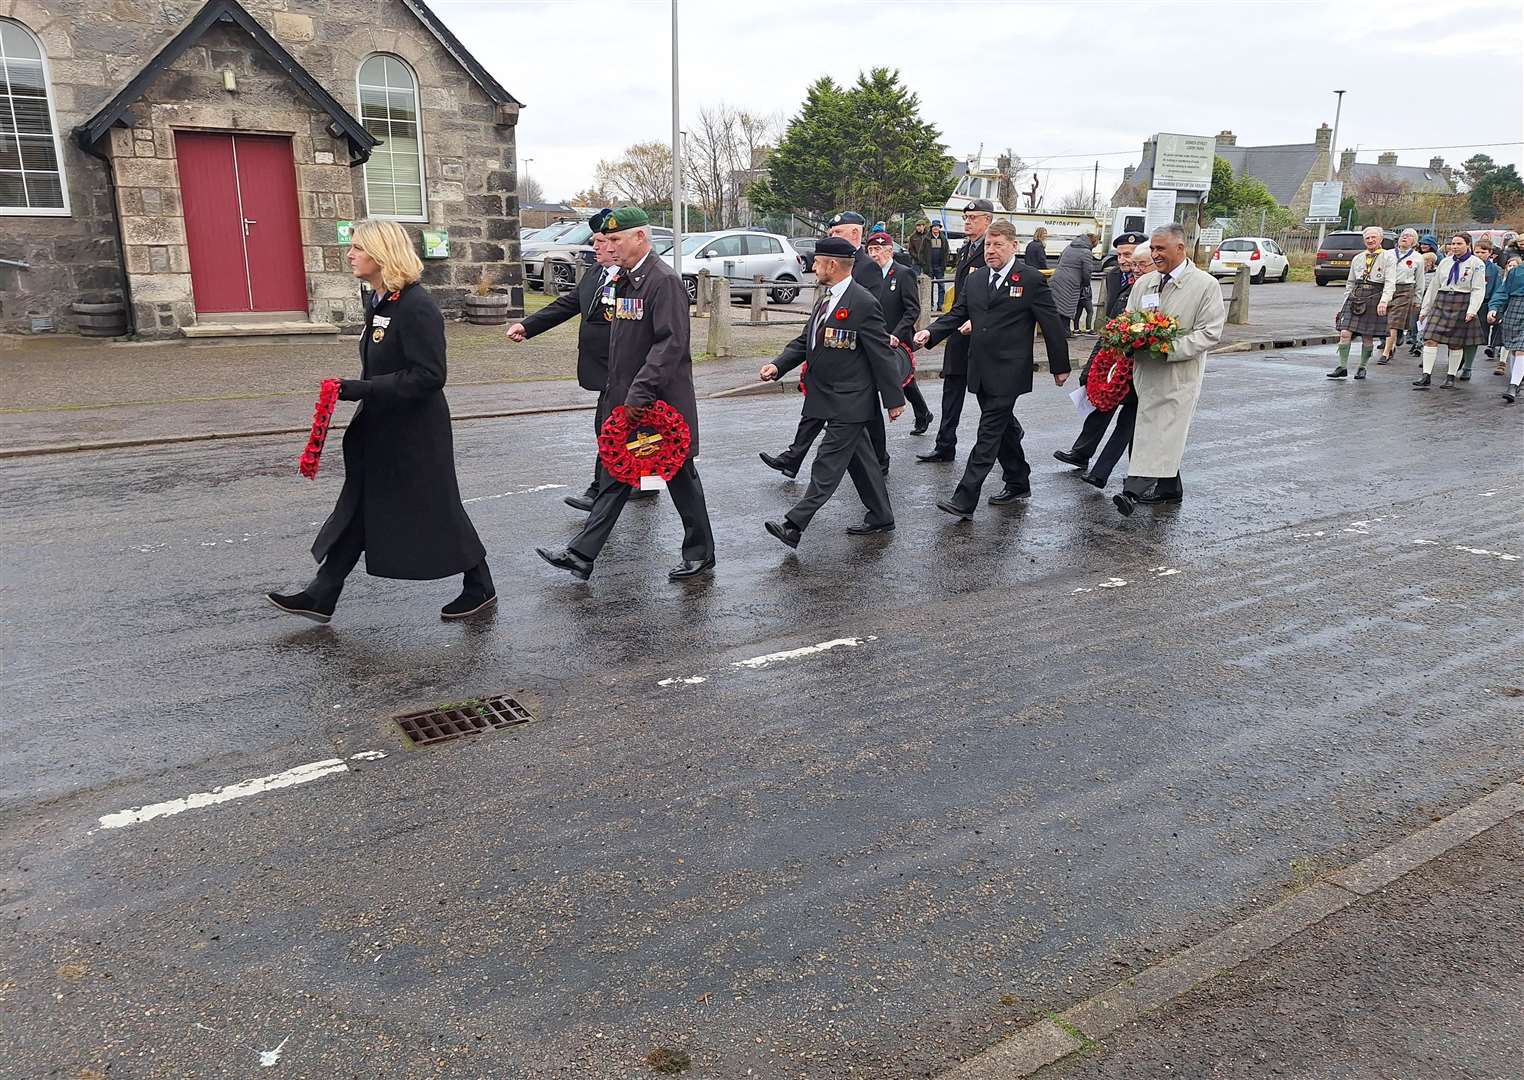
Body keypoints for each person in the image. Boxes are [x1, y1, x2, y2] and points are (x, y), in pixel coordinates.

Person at [266, 219, 495, 623]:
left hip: (415, 431)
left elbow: (430, 376)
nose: (350, 254)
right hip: (382, 423)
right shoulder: (382, 302)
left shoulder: (416, 306)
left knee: (437, 508)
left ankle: (480, 585)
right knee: (360, 504)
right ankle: (323, 592)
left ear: (382, 253)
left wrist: (361, 389)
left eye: (358, 247)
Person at [536, 207, 715, 581]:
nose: (610, 246)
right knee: (617, 473)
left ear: (640, 238)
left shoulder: (662, 280)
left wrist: (639, 395)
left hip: (658, 404)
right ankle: (581, 555)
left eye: (617, 239)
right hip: (629, 399)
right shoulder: (627, 279)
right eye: (608, 240)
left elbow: (670, 345)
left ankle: (700, 554)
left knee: (680, 476)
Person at [913, 218, 1070, 518]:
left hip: (1010, 370)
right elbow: (957, 313)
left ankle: (964, 498)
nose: (991, 250)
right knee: (1003, 429)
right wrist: (930, 333)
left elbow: (1051, 324)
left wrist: (1059, 366)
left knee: (987, 434)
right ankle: (1018, 479)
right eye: (988, 244)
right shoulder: (976, 279)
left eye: (998, 245)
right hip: (980, 368)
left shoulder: (1030, 279)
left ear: (1014, 246)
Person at [759, 237, 907, 548]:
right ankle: (881, 515)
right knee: (862, 460)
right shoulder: (827, 299)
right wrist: (778, 365)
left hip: (851, 400)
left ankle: (794, 525)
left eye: (816, 262)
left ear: (833, 265)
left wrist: (894, 400)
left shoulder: (863, 302)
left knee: (826, 465)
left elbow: (881, 355)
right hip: (827, 395)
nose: (813, 267)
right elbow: (805, 341)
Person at [760, 209, 891, 481]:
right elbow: (811, 331)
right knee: (824, 414)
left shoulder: (866, 267)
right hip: (830, 364)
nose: (832, 235)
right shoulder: (829, 270)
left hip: (855, 363)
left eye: (837, 232)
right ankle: (795, 458)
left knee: (866, 418)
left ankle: (879, 463)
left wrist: (893, 398)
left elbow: (871, 314)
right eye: (831, 233)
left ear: (855, 233)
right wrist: (779, 364)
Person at [508, 208, 618, 512]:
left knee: (608, 428)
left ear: (614, 242)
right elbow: (568, 304)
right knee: (618, 429)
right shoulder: (596, 272)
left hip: (623, 369)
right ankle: (642, 481)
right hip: (600, 368)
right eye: (594, 241)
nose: (594, 247)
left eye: (599, 241)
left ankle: (600, 490)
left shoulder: (633, 276)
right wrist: (528, 326)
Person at [1113, 223, 1227, 517]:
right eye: (1152, 248)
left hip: (1179, 374)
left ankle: (1133, 490)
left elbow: (1210, 332)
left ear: (1181, 248)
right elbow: (1129, 319)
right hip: (1146, 372)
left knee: (1163, 431)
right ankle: (1169, 489)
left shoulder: (1205, 285)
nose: (1155, 254)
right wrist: (1127, 337)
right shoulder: (1145, 283)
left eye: (1160, 249)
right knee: (1157, 429)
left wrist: (1169, 349)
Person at [1055, 233, 1148, 489]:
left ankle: (1141, 474)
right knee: (1103, 404)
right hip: (1116, 358)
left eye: (1128, 254)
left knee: (1131, 421)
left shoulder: (1151, 283)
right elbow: (1110, 328)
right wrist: (1092, 365)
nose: (1122, 260)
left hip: (1140, 363)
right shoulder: (1116, 277)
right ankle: (1083, 453)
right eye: (1119, 255)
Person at [917, 198, 994, 465]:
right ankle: (944, 445)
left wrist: (980, 319)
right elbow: (962, 299)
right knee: (951, 389)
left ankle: (1011, 440)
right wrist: (933, 332)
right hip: (959, 333)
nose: (968, 222)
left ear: (988, 221)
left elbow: (998, 297)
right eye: (966, 218)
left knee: (990, 399)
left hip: (983, 336)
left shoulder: (993, 250)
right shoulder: (966, 249)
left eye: (974, 218)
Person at [865, 231, 934, 434]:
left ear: (889, 251)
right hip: (875, 336)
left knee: (903, 379)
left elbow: (912, 309)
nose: (873, 254)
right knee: (893, 379)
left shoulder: (903, 273)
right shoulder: (869, 275)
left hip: (898, 338)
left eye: (877, 249)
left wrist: (896, 333)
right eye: (870, 250)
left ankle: (922, 413)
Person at [1414, 232, 1486, 391]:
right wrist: (1425, 309)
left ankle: (1451, 376)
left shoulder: (1477, 263)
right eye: (1452, 244)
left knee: (1455, 343)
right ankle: (1426, 375)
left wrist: (1472, 310)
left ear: (1468, 245)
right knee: (1430, 339)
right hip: (1442, 300)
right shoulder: (1445, 262)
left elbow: (1478, 289)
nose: (1454, 247)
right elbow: (1434, 286)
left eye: (1459, 244)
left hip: (1462, 302)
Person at [1327, 226, 1396, 380]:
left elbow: (1390, 282)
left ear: (1381, 240)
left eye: (1373, 238)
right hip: (1356, 295)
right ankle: (1342, 367)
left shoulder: (1388, 258)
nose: (1370, 240)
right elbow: (1350, 282)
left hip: (1375, 295)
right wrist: (1346, 300)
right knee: (1345, 333)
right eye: (1367, 238)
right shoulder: (1358, 258)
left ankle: (1362, 367)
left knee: (1367, 336)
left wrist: (1384, 301)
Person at [1378, 228, 1424, 364]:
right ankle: (1393, 342)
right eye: (1403, 235)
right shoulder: (1388, 254)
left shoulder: (1418, 258)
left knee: (1393, 321)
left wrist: (1417, 299)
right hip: (1387, 288)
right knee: (1386, 320)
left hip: (1405, 290)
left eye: (1409, 236)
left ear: (1414, 242)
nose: (1405, 238)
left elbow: (1419, 280)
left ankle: (1386, 352)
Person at [1487, 252, 1524, 402]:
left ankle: (1513, 385)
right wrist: (1494, 307)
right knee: (1515, 348)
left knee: (1522, 348)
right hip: (1515, 308)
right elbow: (1503, 291)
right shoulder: (1516, 271)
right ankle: (1517, 380)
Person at [1466, 238, 1501, 379]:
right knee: (1461, 334)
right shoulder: (1469, 265)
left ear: (1490, 253)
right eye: (1477, 252)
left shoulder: (1495, 270)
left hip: (1485, 304)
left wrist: (1493, 307)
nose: (1479, 254)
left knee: (1477, 335)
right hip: (1468, 302)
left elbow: (1496, 289)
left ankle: (1469, 365)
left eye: (1483, 252)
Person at [1052, 232, 1097, 339]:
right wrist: (1085, 283)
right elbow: (1087, 271)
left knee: (1058, 307)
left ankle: (1058, 331)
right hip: (1071, 283)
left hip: (1057, 278)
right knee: (1067, 307)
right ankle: (1065, 332)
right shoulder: (1086, 252)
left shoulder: (1069, 247)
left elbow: (1059, 261)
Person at [927, 221, 950, 307]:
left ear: (939, 228)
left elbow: (947, 251)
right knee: (930, 287)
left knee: (941, 286)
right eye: (934, 226)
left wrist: (944, 264)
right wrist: (925, 265)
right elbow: (921, 253)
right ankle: (930, 305)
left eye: (937, 226)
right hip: (929, 267)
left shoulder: (943, 239)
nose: (935, 228)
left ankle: (940, 304)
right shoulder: (927, 238)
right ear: (931, 228)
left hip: (939, 267)